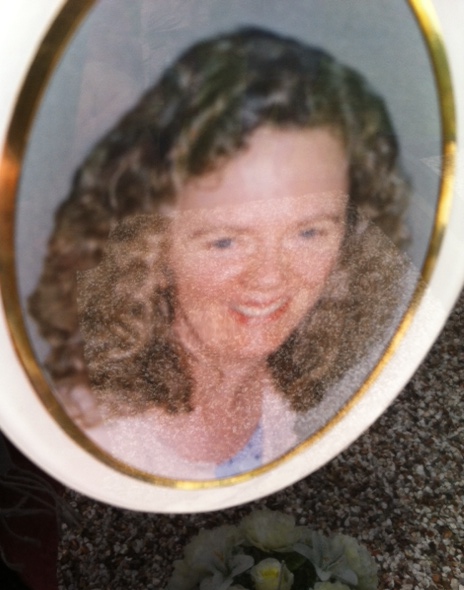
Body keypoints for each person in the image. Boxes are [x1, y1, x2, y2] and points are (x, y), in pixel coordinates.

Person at [29, 27, 411, 479]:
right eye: (226, 241)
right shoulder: (92, 441)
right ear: (151, 249)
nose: (270, 278)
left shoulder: (306, 392)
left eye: (309, 233)